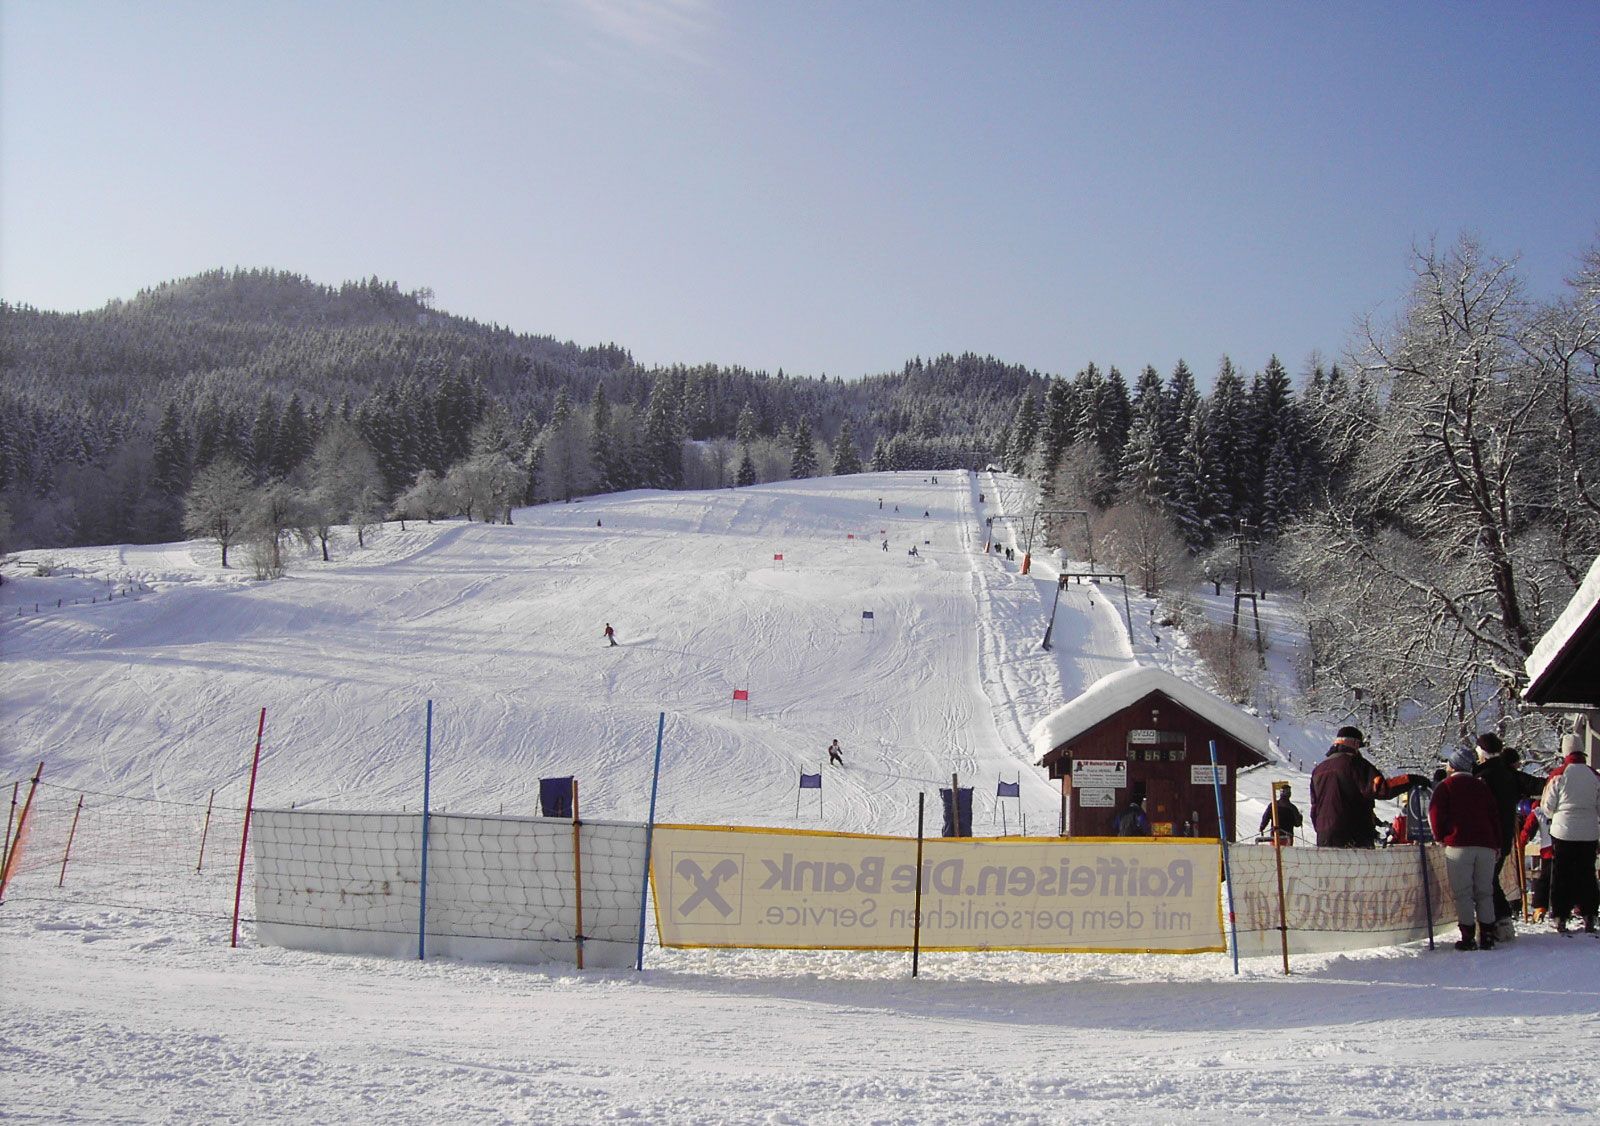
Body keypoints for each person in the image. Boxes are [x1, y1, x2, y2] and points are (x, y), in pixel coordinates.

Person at [1429, 746, 1503, 950]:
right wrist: (1497, 843)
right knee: (1484, 891)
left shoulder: (1446, 786)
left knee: (1463, 893)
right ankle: (1487, 934)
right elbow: (1494, 816)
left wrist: (1441, 837)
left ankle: (1468, 936)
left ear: (1452, 766)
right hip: (1486, 845)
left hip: (1459, 844)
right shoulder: (1482, 787)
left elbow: (1435, 814)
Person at [1472, 732, 1545, 937]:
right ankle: (1501, 921)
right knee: (1490, 879)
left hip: (1486, 836)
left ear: (1482, 753)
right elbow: (1537, 784)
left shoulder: (1481, 776)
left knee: (1486, 880)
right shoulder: (1510, 774)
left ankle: (1499, 921)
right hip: (1504, 836)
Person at [1309, 726, 1424, 848]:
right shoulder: (1355, 764)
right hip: (1353, 835)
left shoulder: (1318, 770)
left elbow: (1314, 808)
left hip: (1324, 836)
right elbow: (1381, 788)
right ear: (1355, 744)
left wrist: (1322, 829)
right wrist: (1410, 779)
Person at [1540, 734, 1600, 935]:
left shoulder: (1559, 774)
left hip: (1563, 832)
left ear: (1565, 751)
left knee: (1561, 875)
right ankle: (1589, 913)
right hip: (1589, 832)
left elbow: (1547, 806)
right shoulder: (1594, 775)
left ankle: (1560, 915)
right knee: (1587, 874)